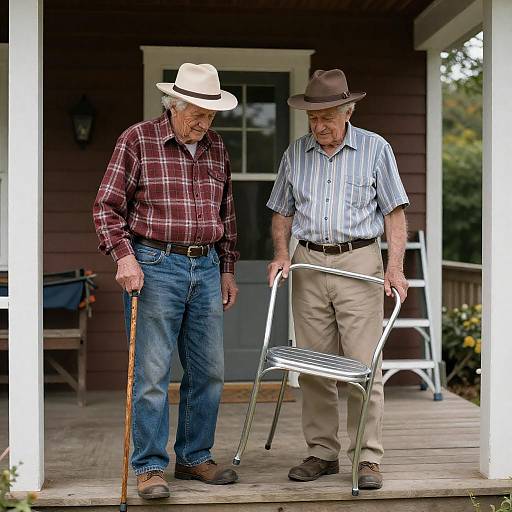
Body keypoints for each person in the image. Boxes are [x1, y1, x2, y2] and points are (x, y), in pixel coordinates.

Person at [93, 62, 240, 499]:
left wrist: (228, 267)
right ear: (173, 105)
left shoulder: (217, 148)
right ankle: (150, 466)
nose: (203, 122)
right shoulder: (138, 140)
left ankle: (194, 458)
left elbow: (227, 215)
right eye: (196, 111)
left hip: (207, 266)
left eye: (210, 114)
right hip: (154, 265)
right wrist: (124, 257)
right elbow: (106, 208)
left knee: (210, 370)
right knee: (152, 374)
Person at [266, 68, 409, 490]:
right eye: (313, 118)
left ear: (348, 111)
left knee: (364, 366)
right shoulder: (295, 154)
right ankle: (322, 452)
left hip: (359, 262)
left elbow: (394, 213)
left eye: (327, 116)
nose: (319, 126)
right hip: (308, 263)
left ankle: (367, 458)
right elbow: (282, 212)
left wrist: (395, 267)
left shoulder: (375, 149)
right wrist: (280, 254)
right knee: (312, 366)